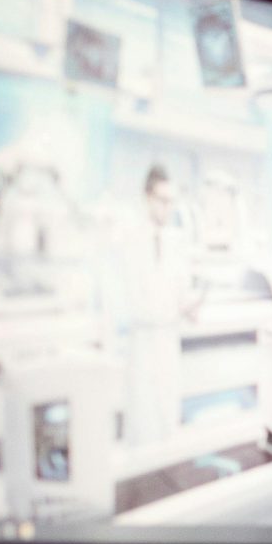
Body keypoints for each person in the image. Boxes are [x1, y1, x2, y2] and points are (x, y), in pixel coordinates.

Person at [114, 162, 203, 447]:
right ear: (147, 197)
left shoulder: (176, 241)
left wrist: (190, 305)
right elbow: (136, 304)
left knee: (167, 421)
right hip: (143, 344)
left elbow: (180, 287)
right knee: (143, 424)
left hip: (167, 342)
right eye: (162, 201)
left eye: (171, 202)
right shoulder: (130, 239)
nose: (168, 208)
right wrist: (173, 310)